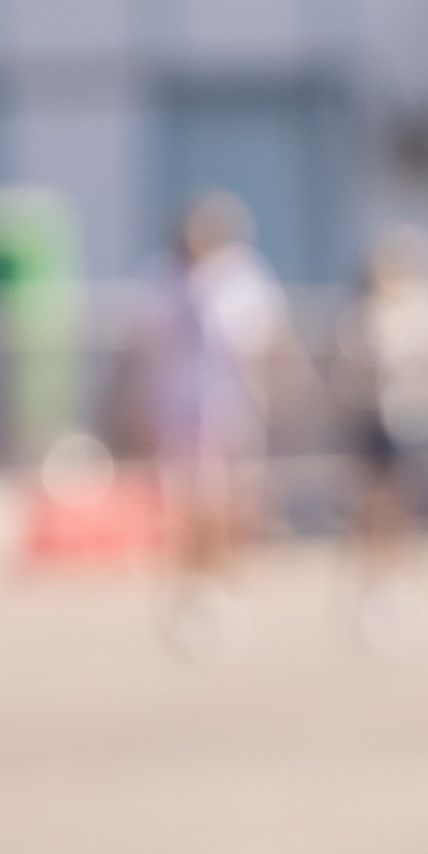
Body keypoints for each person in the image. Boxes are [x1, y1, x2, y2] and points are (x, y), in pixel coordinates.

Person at [138, 192, 287, 658]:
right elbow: (146, 351)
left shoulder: (243, 279)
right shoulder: (164, 280)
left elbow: (265, 344)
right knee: (185, 506)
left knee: (229, 505)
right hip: (178, 411)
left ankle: (226, 586)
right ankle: (190, 589)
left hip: (230, 409)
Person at [336, 222, 428, 648]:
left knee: (410, 507)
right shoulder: (362, 313)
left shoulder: (423, 309)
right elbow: (351, 370)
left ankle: (407, 587)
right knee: (373, 506)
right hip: (373, 420)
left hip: (414, 420)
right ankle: (373, 585)